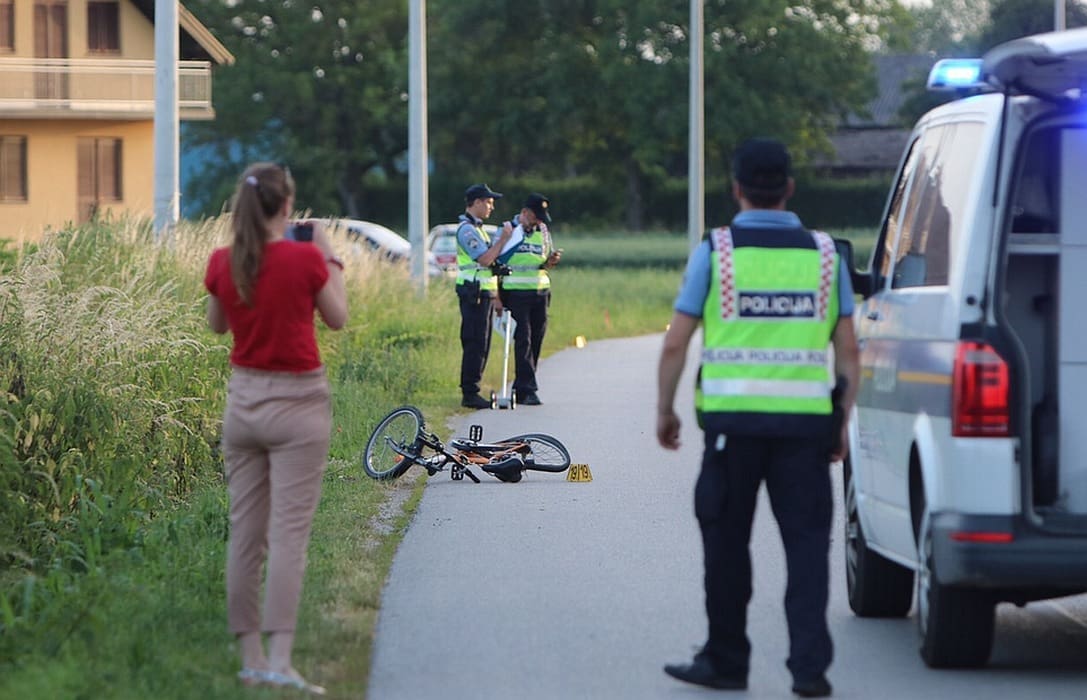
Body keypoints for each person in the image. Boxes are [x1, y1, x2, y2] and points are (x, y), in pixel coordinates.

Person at [656, 138, 859, 699]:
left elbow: (676, 344)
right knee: (806, 552)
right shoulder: (825, 255)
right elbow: (849, 351)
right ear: (790, 187)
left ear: (737, 188)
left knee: (726, 549)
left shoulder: (716, 251)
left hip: (732, 430)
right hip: (805, 433)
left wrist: (664, 411)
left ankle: (726, 662)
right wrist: (840, 420)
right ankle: (810, 671)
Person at [204, 162, 348, 695]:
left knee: (245, 535)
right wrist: (330, 255)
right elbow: (338, 316)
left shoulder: (224, 259)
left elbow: (217, 324)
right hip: (298, 404)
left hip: (243, 403)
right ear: (287, 208)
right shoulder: (306, 257)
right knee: (288, 535)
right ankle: (280, 662)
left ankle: (249, 659)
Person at [497, 193, 562, 405]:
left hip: (540, 291)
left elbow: (542, 261)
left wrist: (551, 261)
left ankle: (522, 384)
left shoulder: (542, 231)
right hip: (515, 291)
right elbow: (495, 262)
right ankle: (527, 389)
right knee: (523, 338)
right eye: (536, 216)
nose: (540, 221)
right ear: (525, 213)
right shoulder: (508, 230)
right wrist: (497, 296)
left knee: (536, 339)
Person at [456, 183, 513, 408]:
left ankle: (474, 388)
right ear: (477, 202)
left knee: (484, 342)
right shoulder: (467, 230)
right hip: (473, 292)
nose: (491, 207)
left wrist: (497, 296)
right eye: (488, 202)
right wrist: (504, 239)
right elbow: (485, 260)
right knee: (474, 342)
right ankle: (469, 392)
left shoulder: (478, 228)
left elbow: (490, 267)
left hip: (485, 292)